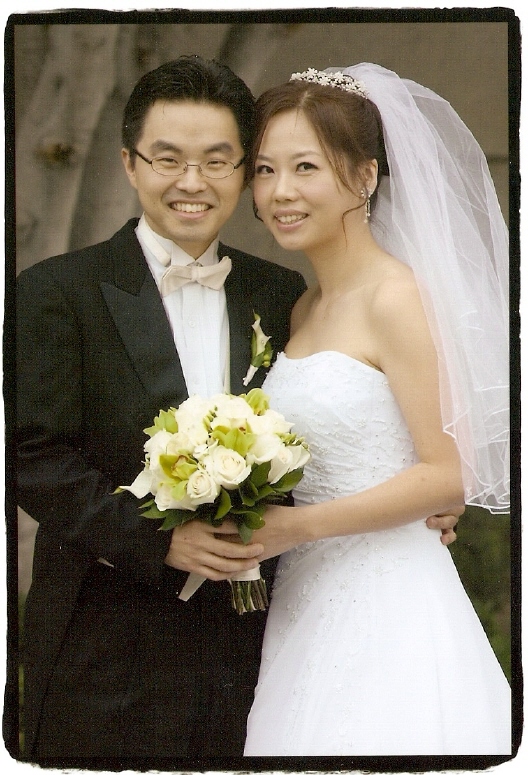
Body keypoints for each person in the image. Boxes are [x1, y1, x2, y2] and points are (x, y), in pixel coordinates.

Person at [14, 55, 457, 763]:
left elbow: (368, 427)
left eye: (219, 161)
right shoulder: (56, 291)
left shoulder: (281, 295)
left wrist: (426, 500)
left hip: (253, 644)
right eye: (168, 159)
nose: (193, 182)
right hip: (105, 648)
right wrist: (156, 539)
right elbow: (32, 457)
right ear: (130, 164)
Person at [243, 64, 511, 756]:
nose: (280, 191)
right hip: (306, 595)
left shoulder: (397, 297)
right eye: (266, 169)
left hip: (390, 597)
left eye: (305, 166)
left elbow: (448, 473)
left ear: (365, 177)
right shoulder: (305, 306)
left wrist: (295, 527)